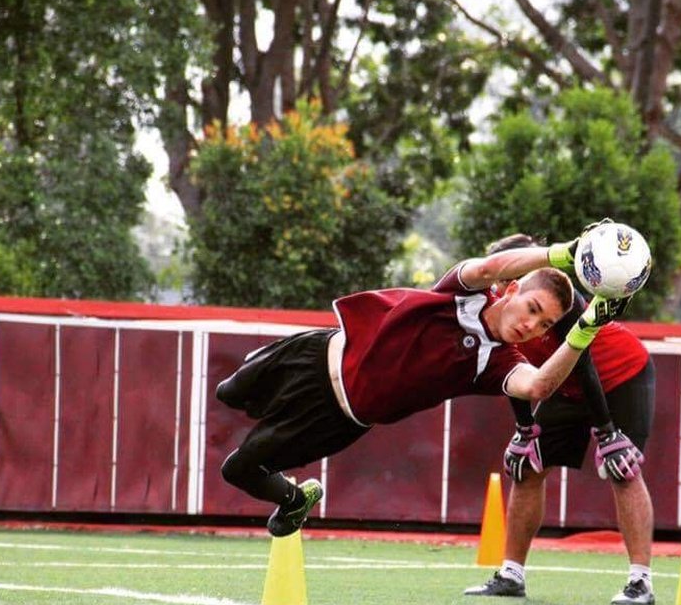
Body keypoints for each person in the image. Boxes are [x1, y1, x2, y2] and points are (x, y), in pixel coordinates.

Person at [216, 227, 632, 538]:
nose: (531, 325)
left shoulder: (496, 361)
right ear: (509, 291)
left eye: (544, 324)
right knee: (228, 392)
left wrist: (585, 328)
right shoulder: (463, 294)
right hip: (314, 356)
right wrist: (566, 253)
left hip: (337, 418)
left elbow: (537, 387)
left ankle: (294, 499)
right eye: (532, 308)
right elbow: (489, 265)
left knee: (238, 469)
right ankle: (289, 492)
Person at [463, 228, 657, 605]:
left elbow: (584, 362)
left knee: (622, 466)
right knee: (526, 466)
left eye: (504, 275)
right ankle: (511, 573)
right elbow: (512, 370)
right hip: (565, 386)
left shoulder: (559, 299)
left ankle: (641, 581)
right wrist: (524, 428)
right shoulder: (502, 305)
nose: (497, 285)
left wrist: (606, 431)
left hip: (619, 376)